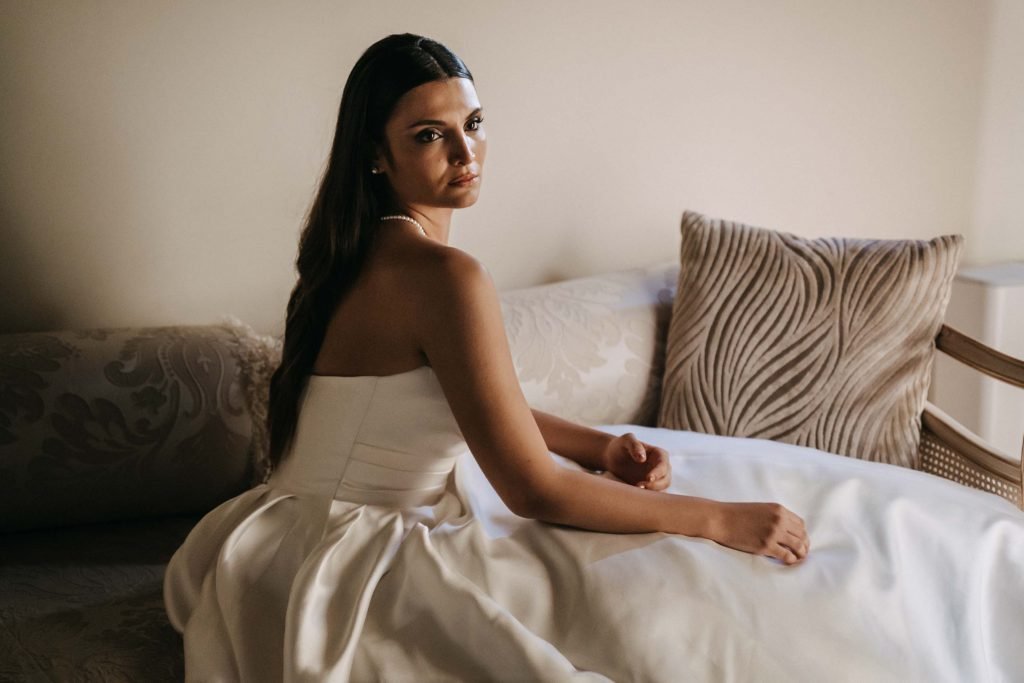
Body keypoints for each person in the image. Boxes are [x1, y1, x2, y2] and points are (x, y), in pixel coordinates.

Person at [164, 33, 809, 681]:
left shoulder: (347, 256)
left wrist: (598, 446)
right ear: (376, 155)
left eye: (472, 124)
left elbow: (455, 404)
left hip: (279, 539)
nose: (465, 151)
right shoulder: (444, 275)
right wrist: (720, 518)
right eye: (428, 134)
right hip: (358, 562)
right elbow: (532, 488)